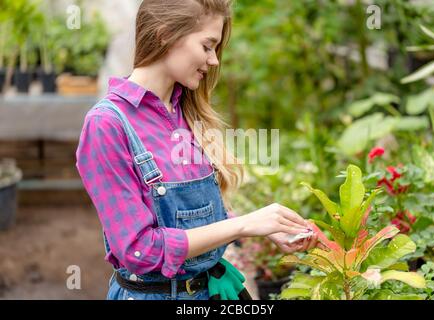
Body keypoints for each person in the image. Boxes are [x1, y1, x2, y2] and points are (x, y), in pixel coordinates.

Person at [75, 0, 320, 301]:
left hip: (209, 292)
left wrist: (263, 229)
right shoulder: (108, 125)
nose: (214, 60)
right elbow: (139, 249)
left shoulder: (187, 113)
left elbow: (187, 216)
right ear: (166, 34)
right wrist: (242, 225)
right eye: (207, 46)